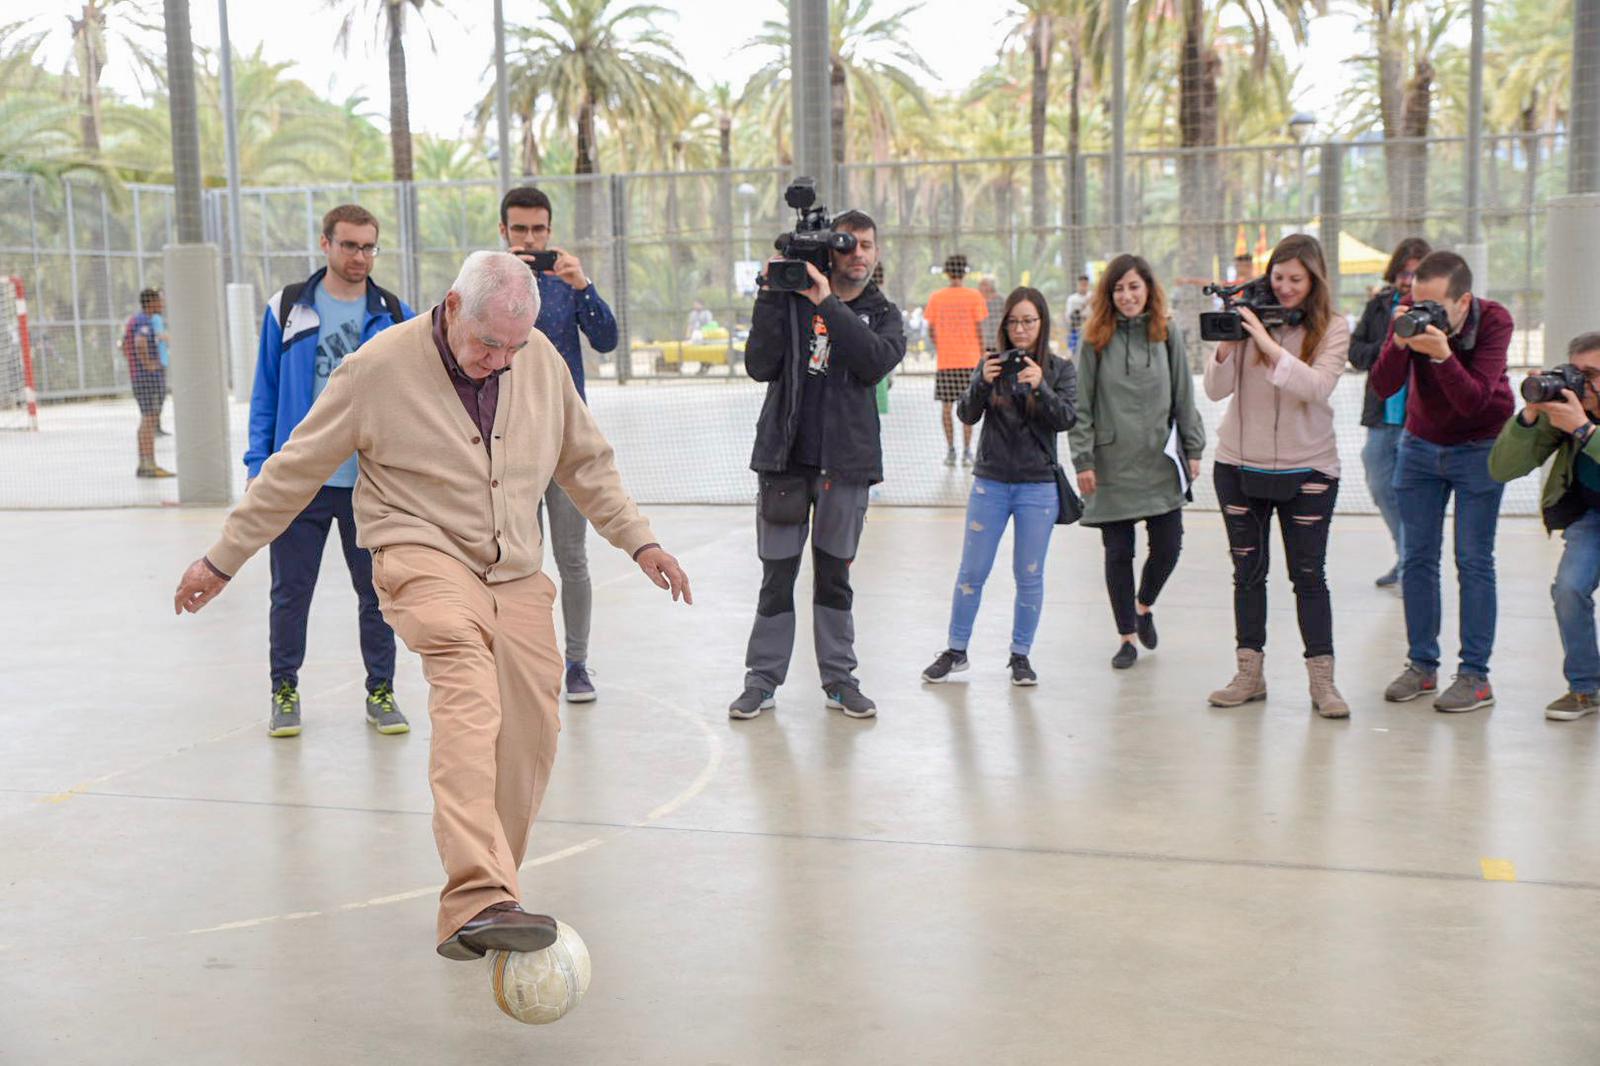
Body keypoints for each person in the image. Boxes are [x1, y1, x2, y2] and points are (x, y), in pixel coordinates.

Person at [174, 251, 691, 961]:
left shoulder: (535, 359)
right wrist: (222, 558)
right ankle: (477, 894)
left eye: (514, 346)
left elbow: (587, 464)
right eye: (488, 344)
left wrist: (641, 543)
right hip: (421, 556)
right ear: (452, 308)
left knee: (531, 729)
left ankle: (491, 897)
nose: (501, 361)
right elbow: (294, 466)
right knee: (468, 690)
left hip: (513, 572)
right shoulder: (377, 368)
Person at [728, 209, 905, 721]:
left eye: (868, 245)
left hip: (846, 466)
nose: (860, 254)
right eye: (850, 245)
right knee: (776, 576)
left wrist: (826, 301)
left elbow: (873, 361)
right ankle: (761, 680)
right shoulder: (789, 304)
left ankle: (839, 679)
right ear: (830, 250)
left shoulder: (884, 315)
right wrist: (769, 294)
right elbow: (760, 366)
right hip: (785, 462)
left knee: (834, 578)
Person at [244, 203, 411, 739]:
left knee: (378, 593)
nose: (360, 256)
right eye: (349, 245)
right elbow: (264, 395)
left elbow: (413, 396)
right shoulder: (288, 308)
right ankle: (283, 689)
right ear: (326, 244)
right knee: (291, 592)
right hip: (301, 481)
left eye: (369, 247)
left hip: (370, 484)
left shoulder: (393, 312)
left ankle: (381, 691)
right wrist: (257, 467)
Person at [1202, 234, 1351, 718]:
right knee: (1248, 573)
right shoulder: (1248, 321)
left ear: (1314, 281)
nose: (1284, 288)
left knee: (1309, 575)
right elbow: (1215, 389)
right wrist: (1231, 340)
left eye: (1295, 279)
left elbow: (1317, 386)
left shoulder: (1332, 327)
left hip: (1308, 468)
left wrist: (1266, 344)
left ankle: (1323, 683)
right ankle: (1249, 674)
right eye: (1278, 278)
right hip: (1238, 464)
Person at [1370, 251, 1514, 712]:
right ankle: (1421, 666)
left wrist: (1443, 355)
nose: (1423, 312)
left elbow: (1473, 400)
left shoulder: (1495, 321)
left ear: (1463, 300)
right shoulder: (1412, 322)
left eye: (1433, 305)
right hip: (1419, 445)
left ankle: (1475, 676)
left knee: (1473, 560)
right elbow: (1382, 386)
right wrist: (1398, 340)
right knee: (1417, 558)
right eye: (1417, 302)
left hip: (1481, 447)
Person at [499, 185, 620, 703]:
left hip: (566, 446)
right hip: (507, 446)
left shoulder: (566, 283)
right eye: (520, 230)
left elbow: (608, 339)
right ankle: (523, 658)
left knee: (572, 559)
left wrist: (583, 284)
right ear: (503, 231)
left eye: (539, 230)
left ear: (550, 231)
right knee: (513, 559)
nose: (530, 239)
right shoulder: (486, 282)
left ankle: (577, 663)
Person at [920, 286, 1077, 687]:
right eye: (1013, 321)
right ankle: (956, 650)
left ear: (1042, 324)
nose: (1020, 329)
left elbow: (1066, 419)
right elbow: (967, 413)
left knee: (1029, 574)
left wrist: (1041, 385)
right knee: (972, 571)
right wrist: (981, 384)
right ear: (1003, 325)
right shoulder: (989, 364)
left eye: (1028, 321)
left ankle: (1020, 655)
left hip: (1037, 487)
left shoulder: (1059, 369)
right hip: (990, 483)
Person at [1069, 255, 1205, 670]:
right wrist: (1083, 459)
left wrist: (1193, 447)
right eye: (1119, 289)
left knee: (1169, 544)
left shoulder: (1165, 334)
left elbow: (1183, 392)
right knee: (1118, 552)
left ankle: (1143, 605)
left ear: (1148, 289)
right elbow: (1081, 406)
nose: (1127, 296)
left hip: (1160, 461)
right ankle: (1127, 635)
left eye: (1134, 287)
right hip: (1111, 463)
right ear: (1109, 295)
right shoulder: (1095, 340)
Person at [1489, 333, 1600, 720]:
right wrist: (1530, 417)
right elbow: (1502, 468)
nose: (1579, 383)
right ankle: (1585, 688)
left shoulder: (1579, 421)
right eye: (1573, 372)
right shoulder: (1566, 412)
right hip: (1591, 516)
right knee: (1569, 589)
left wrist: (1586, 431)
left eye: (1591, 374)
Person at [1348, 236, 1431, 588]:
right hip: (1382, 417)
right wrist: (1392, 344)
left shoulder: (1437, 309)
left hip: (1422, 420)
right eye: (1403, 272)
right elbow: (1356, 352)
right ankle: (1407, 555)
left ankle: (1414, 564)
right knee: (1381, 484)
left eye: (1415, 273)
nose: (1407, 280)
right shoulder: (1380, 305)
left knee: (1415, 495)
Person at [925, 254, 987, 466]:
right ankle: (968, 452)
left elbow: (931, 330)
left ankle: (951, 451)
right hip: (970, 361)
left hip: (946, 362)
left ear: (947, 272)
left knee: (946, 408)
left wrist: (943, 344)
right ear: (965, 271)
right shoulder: (975, 296)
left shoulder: (936, 297)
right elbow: (980, 329)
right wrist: (981, 353)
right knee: (968, 406)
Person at [125, 288, 172, 478]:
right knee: (149, 419)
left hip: (141, 376)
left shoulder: (137, 320)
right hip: (147, 379)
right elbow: (140, 342)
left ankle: (145, 462)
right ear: (151, 302)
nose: (163, 304)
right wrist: (148, 364)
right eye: (160, 301)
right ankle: (148, 464)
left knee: (148, 419)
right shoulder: (144, 321)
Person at [1064, 274, 1091, 355]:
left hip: (1090, 327)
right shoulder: (1072, 299)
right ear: (1078, 285)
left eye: (1085, 284)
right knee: (1073, 351)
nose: (1083, 287)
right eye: (1081, 284)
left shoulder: (1092, 296)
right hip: (1076, 328)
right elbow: (1068, 315)